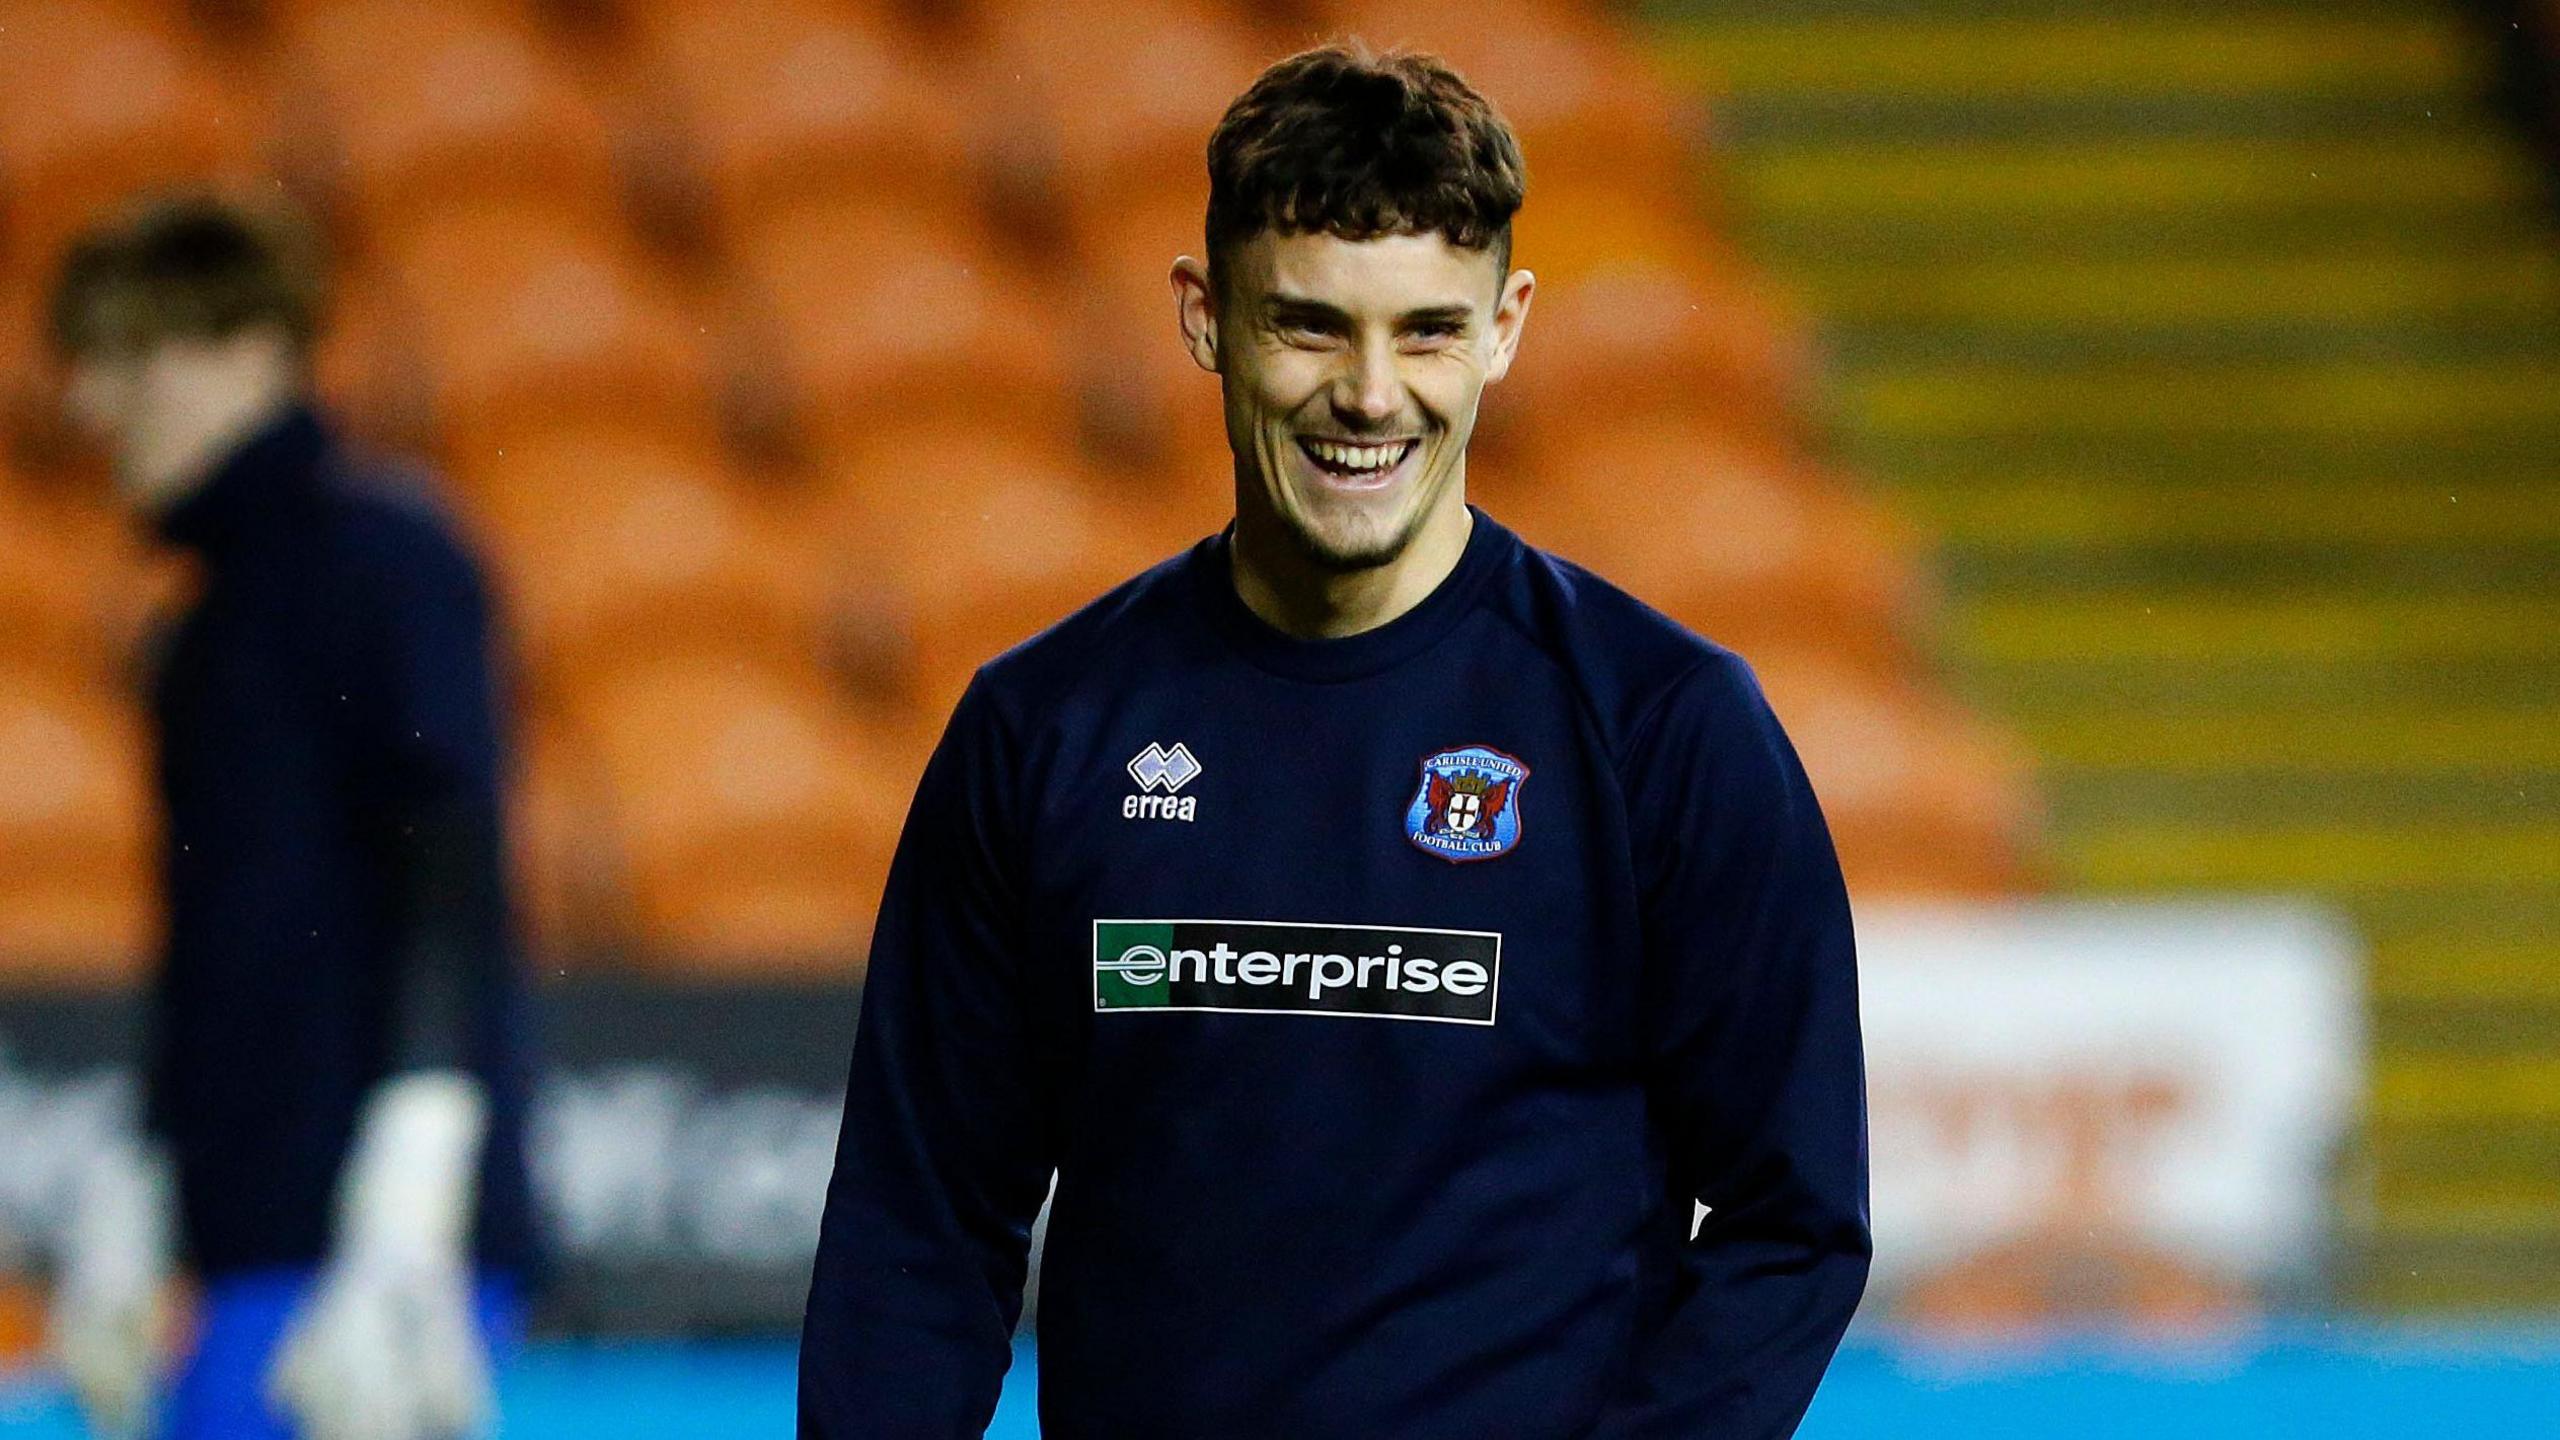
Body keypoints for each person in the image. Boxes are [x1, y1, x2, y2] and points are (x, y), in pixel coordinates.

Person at [799, 43, 1870, 1440]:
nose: (1371, 394)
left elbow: (1795, 1223)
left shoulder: (1666, 729)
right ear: (1204, 316)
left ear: (1506, 326)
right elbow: (920, 1222)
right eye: (1310, 324)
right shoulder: (1042, 730)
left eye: (1427, 328)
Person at [41, 193, 538, 1440]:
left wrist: (416, 1190)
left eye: (129, 356)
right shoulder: (194, 628)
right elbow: (211, 932)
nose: (94, 405)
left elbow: (447, 849)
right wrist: (148, 1173)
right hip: (247, 1233)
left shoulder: (391, 557)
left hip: (371, 1238)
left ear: (250, 349)